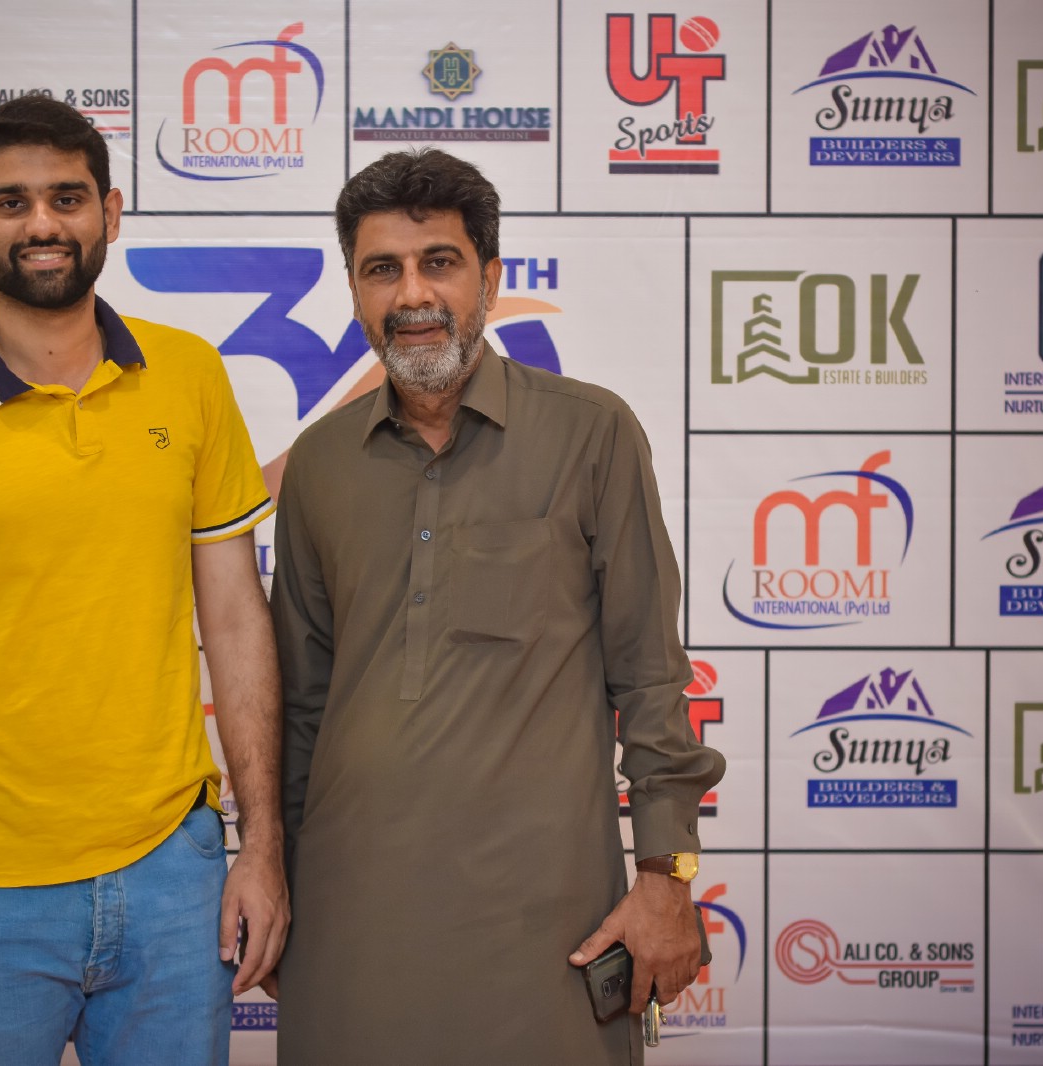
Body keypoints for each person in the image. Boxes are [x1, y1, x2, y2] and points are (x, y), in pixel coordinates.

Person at [0, 95, 287, 1066]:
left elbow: (237, 622)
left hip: (173, 875)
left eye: (67, 198)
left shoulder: (190, 375)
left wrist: (261, 846)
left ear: (109, 212)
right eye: (12, 202)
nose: (42, 223)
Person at [268, 148, 726, 1065]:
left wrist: (666, 876)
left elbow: (648, 674)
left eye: (438, 262)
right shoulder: (318, 463)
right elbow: (302, 703)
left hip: (546, 916)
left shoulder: (591, 432)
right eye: (381, 269)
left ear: (490, 278)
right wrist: (277, 875)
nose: (412, 294)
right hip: (352, 912)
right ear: (354, 292)